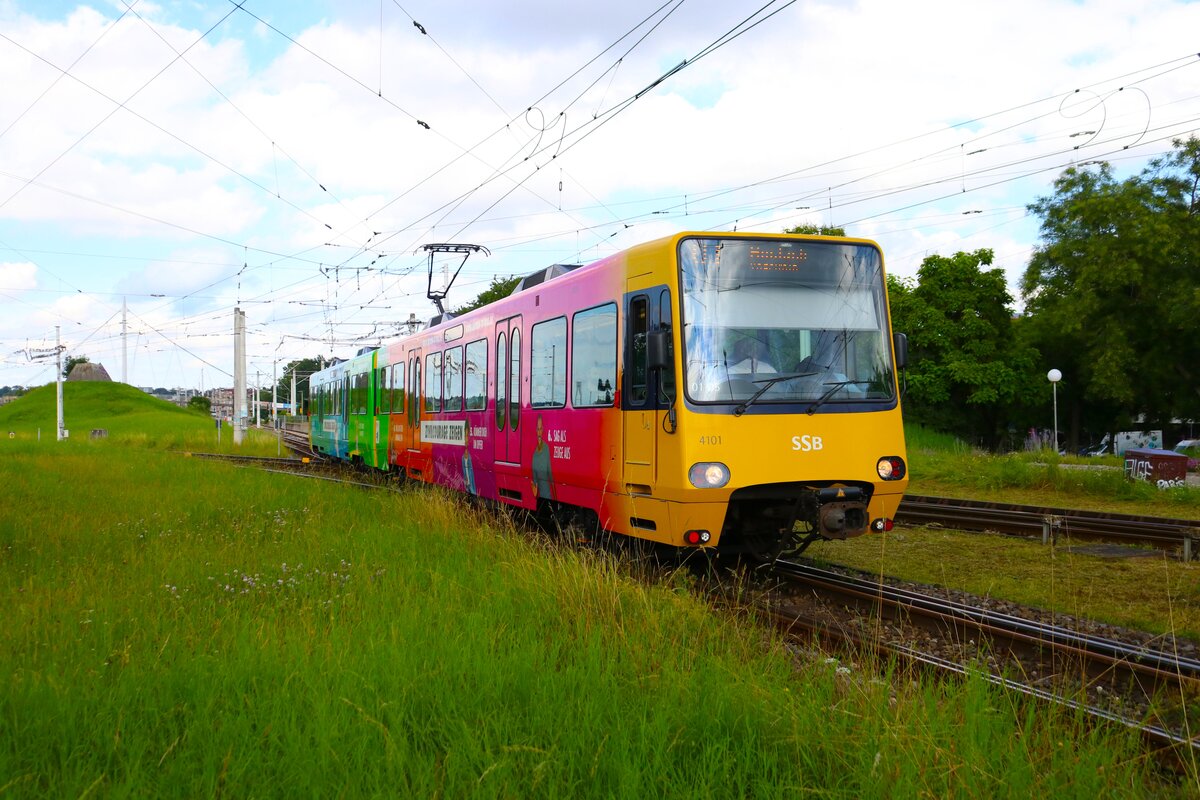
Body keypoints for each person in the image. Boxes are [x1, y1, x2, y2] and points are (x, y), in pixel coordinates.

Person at [531, 414, 555, 501]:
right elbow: (534, 482)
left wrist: (555, 497)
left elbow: (550, 474)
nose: (539, 432)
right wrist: (534, 490)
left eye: (541, 429)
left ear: (543, 430)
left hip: (548, 496)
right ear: (536, 430)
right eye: (538, 429)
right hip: (541, 498)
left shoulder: (546, 448)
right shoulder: (534, 456)